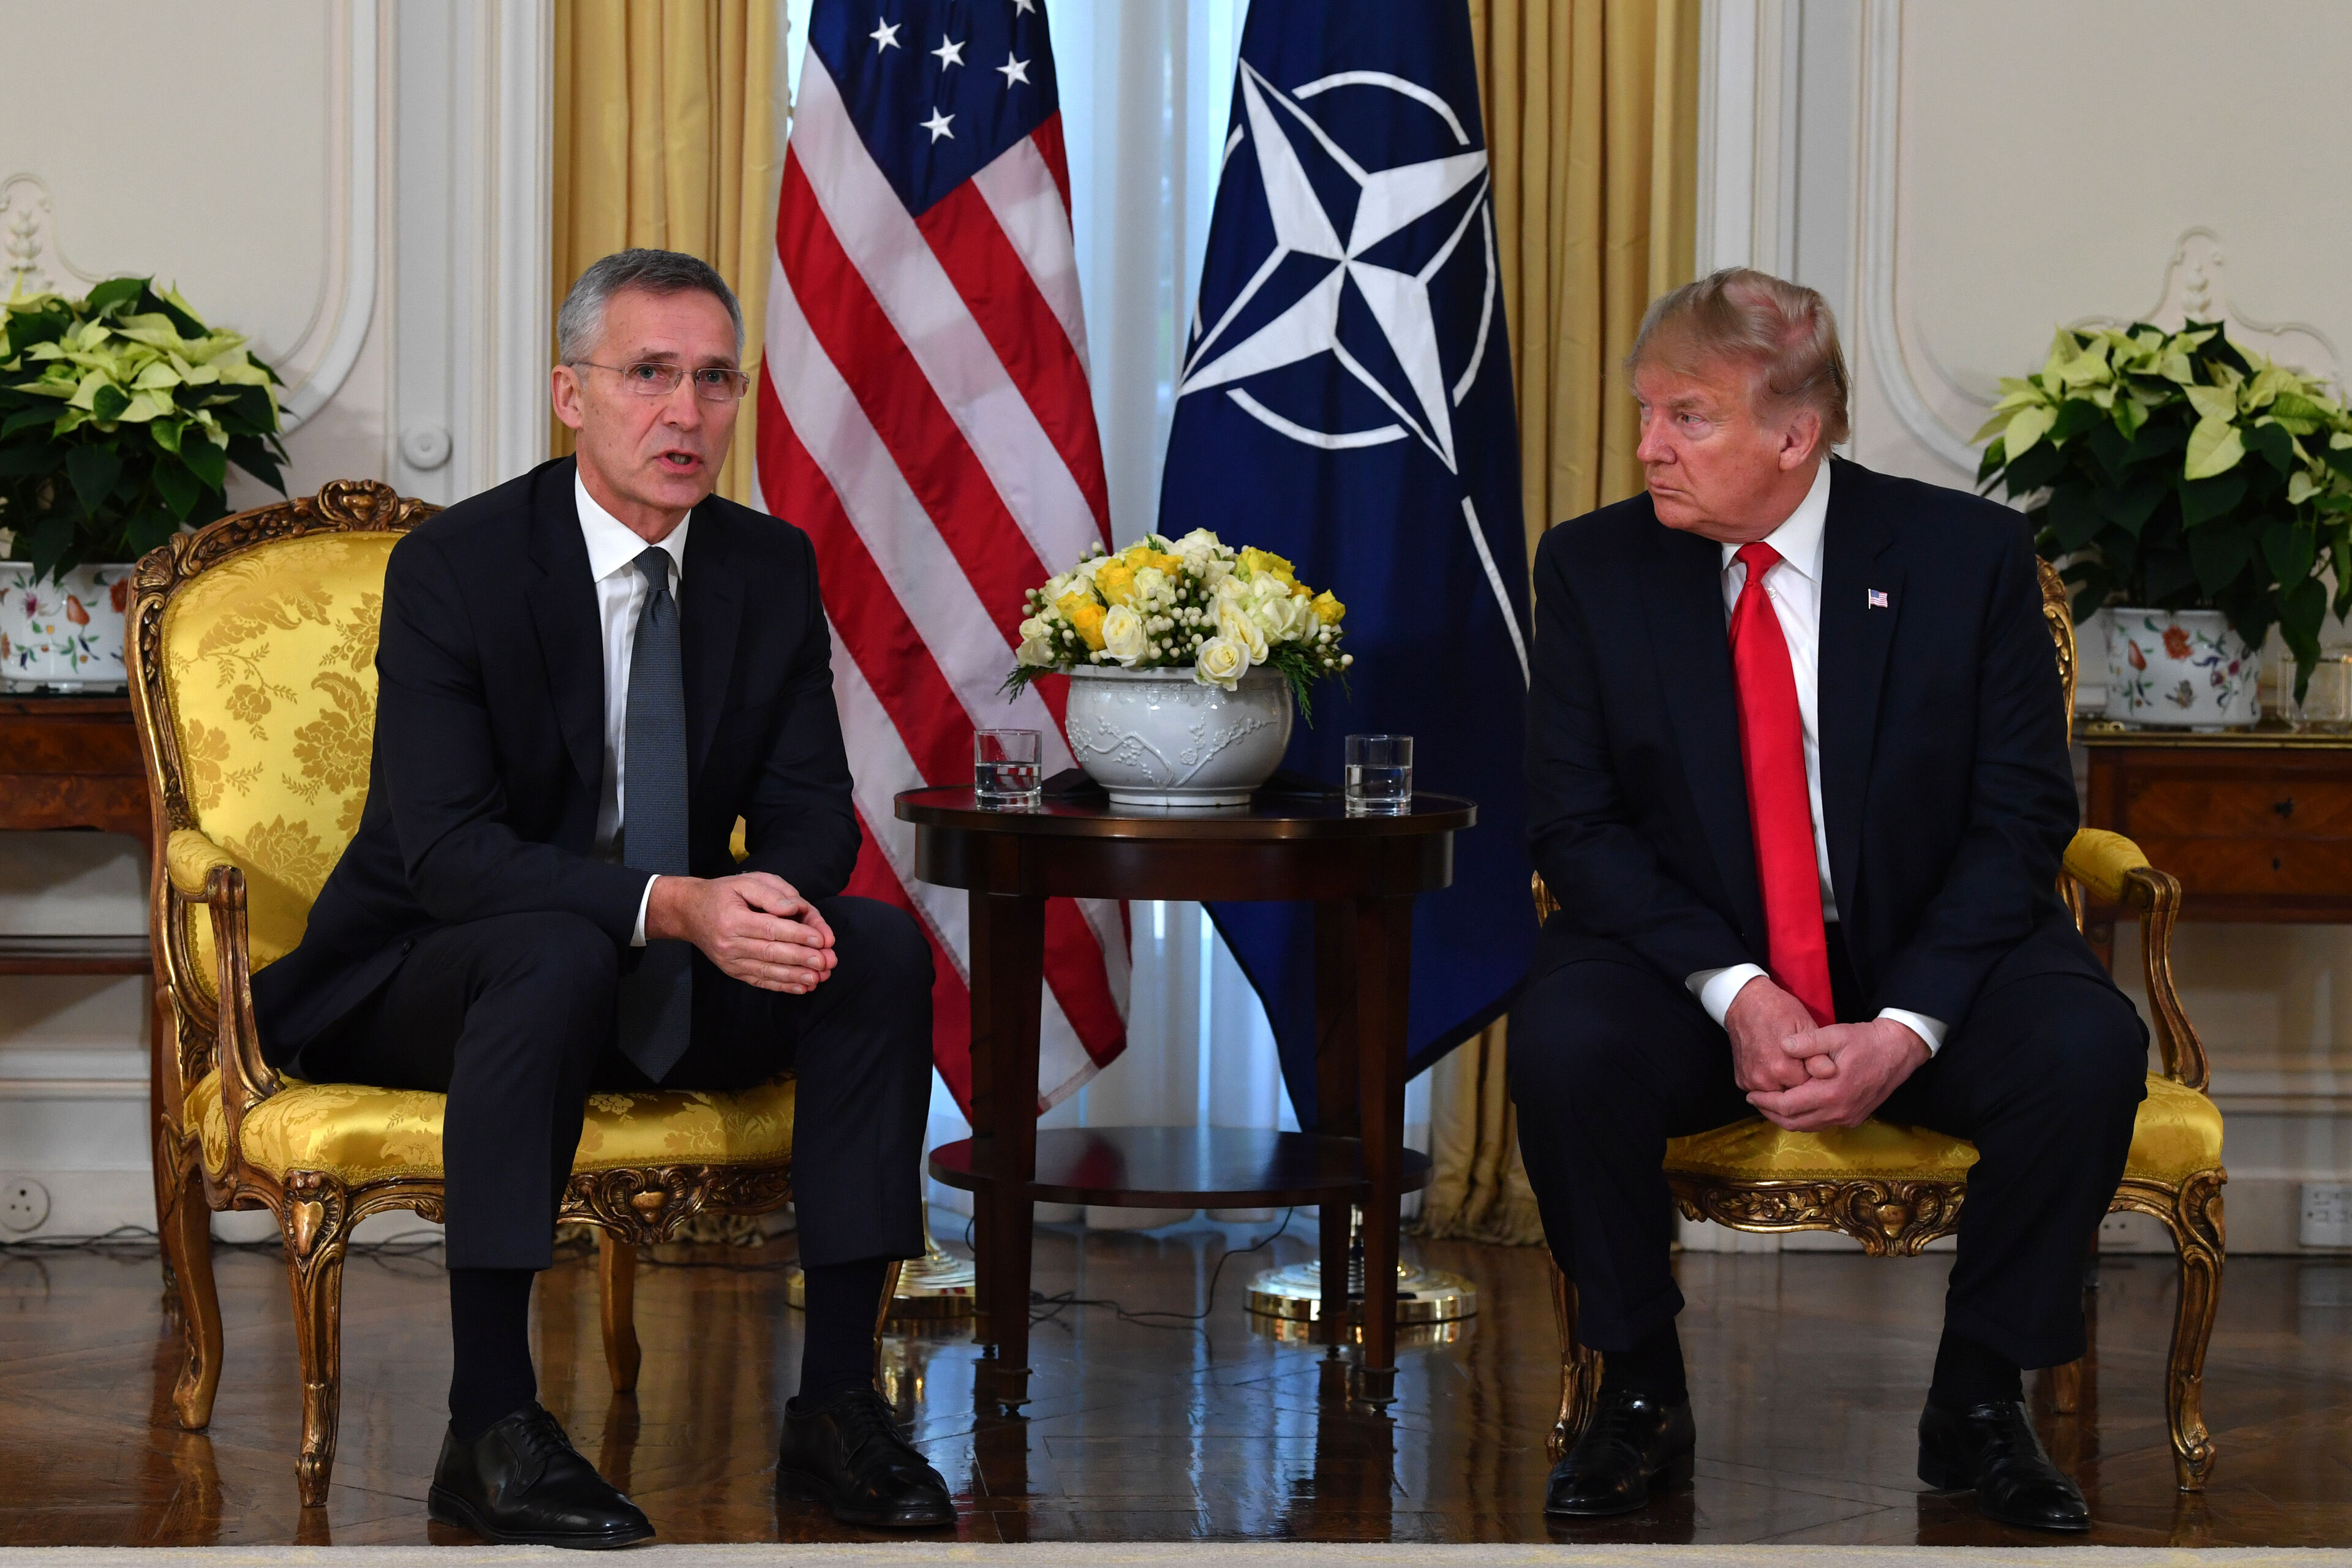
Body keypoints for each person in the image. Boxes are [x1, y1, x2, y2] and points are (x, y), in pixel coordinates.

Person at [252, 248, 953, 1545]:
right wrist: (678, 907)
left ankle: (838, 1405)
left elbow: (812, 812)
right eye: (649, 375)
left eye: (715, 379)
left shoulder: (768, 566)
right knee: (551, 954)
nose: (686, 412)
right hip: (430, 970)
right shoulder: (459, 565)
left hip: (662, 964)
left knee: (870, 947)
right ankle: (489, 1426)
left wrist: (752, 907)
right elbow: (451, 855)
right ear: (570, 393)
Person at [1509, 269, 2147, 1533]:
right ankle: (1638, 1390)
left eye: (1687, 417)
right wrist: (1738, 991)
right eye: (1646, 412)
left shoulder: (1967, 558)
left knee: (2087, 1046)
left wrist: (1909, 1025)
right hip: (1694, 959)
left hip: (1923, 941)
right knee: (1566, 1041)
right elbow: (1575, 826)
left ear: (1795, 434)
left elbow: (2021, 816)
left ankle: (1978, 1398)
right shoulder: (1594, 566)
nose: (1648, 447)